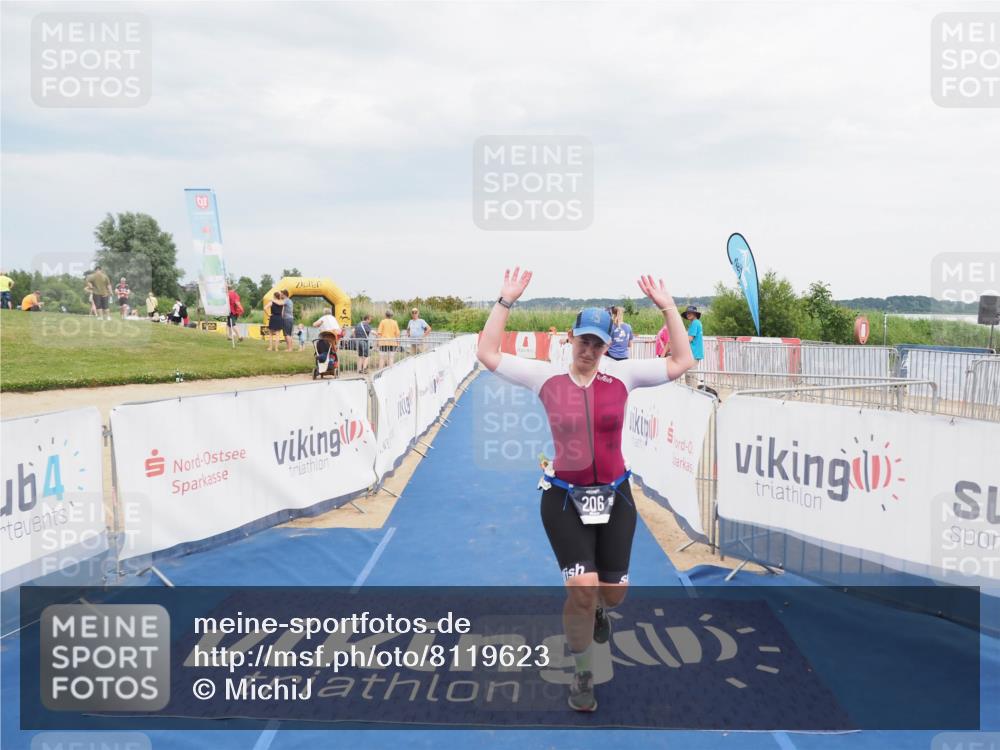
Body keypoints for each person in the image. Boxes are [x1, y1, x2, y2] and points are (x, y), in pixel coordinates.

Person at [476, 267, 694, 713]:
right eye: (583, 340)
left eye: (598, 342)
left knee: (612, 593)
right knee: (581, 587)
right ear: (570, 339)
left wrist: (669, 308)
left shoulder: (624, 376)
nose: (589, 350)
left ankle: (600, 610)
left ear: (608, 344)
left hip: (616, 495)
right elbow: (487, 353)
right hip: (562, 498)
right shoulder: (546, 379)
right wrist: (505, 302)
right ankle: (583, 674)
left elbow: (681, 362)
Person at [683, 305, 704, 384]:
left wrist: (679, 341)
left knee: (690, 377)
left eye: (690, 313)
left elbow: (690, 338)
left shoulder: (694, 323)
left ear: (695, 314)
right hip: (695, 353)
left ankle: (692, 394)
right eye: (687, 313)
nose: (688, 314)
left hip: (693, 353)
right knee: (691, 376)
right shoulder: (697, 323)